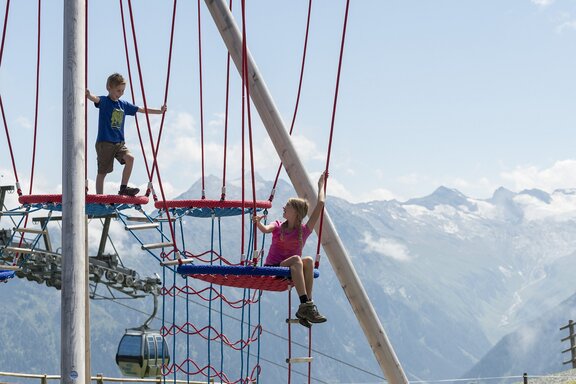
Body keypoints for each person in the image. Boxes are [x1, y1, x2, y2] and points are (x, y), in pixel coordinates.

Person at [253, 171, 328, 327]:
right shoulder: (278, 226)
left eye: (287, 205)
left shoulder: (304, 230)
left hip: (290, 270)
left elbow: (320, 204)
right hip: (273, 269)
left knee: (307, 260)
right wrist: (258, 223)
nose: (283, 207)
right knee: (297, 259)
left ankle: (308, 305)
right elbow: (266, 229)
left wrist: (321, 185)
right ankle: (304, 304)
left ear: (295, 212)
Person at [86, 73, 167, 196]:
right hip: (105, 143)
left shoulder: (123, 105)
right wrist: (88, 95)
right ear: (109, 87)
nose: (121, 93)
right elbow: (95, 99)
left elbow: (141, 109)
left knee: (130, 158)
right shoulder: (104, 101)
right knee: (102, 172)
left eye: (123, 90)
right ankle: (100, 197)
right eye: (118, 90)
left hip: (119, 143)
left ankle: (123, 188)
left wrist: (159, 112)